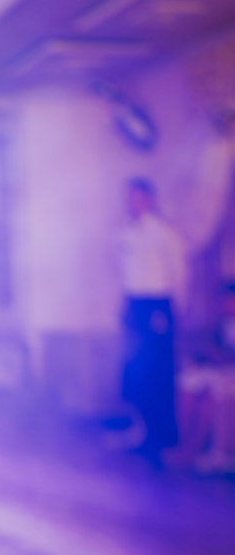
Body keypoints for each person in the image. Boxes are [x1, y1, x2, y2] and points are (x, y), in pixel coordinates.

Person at [117, 178, 187, 465]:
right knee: (135, 372)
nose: (135, 204)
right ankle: (143, 431)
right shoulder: (124, 235)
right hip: (135, 304)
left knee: (159, 371)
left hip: (159, 304)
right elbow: (124, 272)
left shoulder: (165, 234)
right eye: (131, 199)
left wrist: (174, 311)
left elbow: (178, 273)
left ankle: (163, 436)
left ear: (151, 200)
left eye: (140, 198)